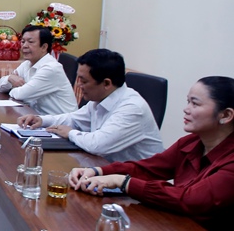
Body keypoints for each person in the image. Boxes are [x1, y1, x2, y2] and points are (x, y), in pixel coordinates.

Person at [69, 76, 234, 229]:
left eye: (195, 104)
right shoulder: (191, 142)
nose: (186, 109)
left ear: (226, 115)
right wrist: (98, 171)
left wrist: (123, 182)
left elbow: (191, 200)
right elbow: (148, 168)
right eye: (188, 102)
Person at [18, 48, 163, 162]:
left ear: (106, 83)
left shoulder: (132, 108)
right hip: (107, 170)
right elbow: (74, 119)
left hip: (138, 182)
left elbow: (98, 145)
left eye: (84, 81)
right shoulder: (101, 98)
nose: (78, 85)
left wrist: (70, 133)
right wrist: (42, 120)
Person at [0, 25, 77, 115]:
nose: (24, 46)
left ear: (44, 47)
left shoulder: (51, 68)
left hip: (60, 121)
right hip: (39, 117)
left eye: (30, 42)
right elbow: (0, 86)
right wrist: (10, 78)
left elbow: (22, 95)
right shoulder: (27, 63)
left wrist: (13, 88)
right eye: (23, 41)